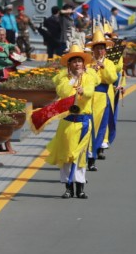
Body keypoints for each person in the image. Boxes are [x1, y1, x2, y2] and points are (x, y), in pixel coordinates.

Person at [46, 44, 99, 199]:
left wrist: (84, 90)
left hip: (83, 122)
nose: (77, 64)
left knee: (80, 156)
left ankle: (80, 188)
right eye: (74, 61)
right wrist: (73, 79)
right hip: (67, 122)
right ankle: (68, 188)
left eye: (79, 61)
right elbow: (62, 92)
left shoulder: (89, 77)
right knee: (66, 155)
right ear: (69, 64)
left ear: (84, 63)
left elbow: (90, 91)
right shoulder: (64, 78)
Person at [87, 29, 119, 170]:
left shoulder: (109, 63)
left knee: (100, 128)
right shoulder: (87, 63)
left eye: (102, 49)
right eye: (98, 48)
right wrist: (93, 70)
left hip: (103, 97)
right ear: (93, 50)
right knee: (89, 127)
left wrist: (103, 67)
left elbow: (112, 78)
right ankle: (87, 155)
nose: (100, 51)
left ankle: (93, 156)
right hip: (89, 97)